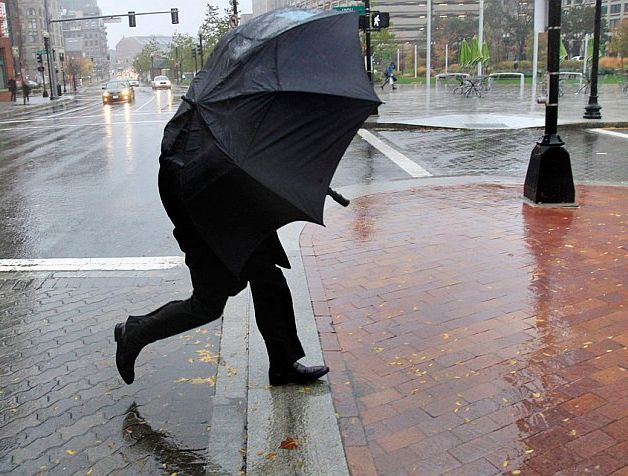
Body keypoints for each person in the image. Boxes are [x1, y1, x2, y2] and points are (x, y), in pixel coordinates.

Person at [114, 116, 329, 387]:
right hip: (210, 225)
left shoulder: (235, 112)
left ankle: (283, 364)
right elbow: (191, 184)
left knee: (269, 282)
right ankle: (134, 333)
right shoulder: (192, 135)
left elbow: (257, 154)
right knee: (207, 304)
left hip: (240, 216)